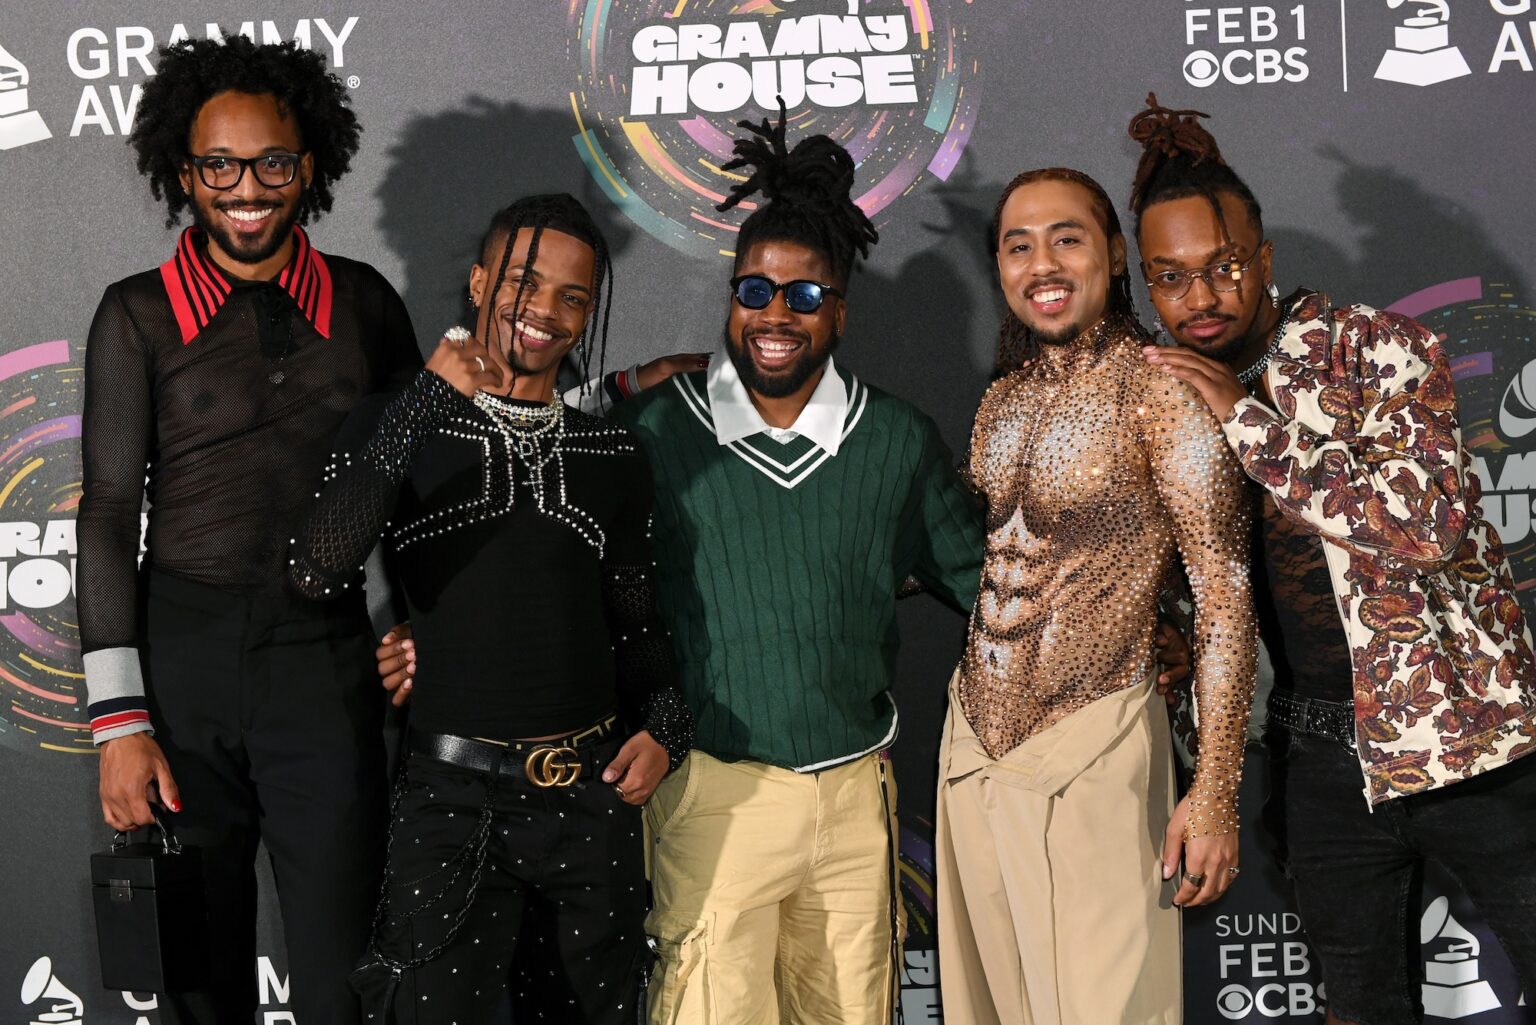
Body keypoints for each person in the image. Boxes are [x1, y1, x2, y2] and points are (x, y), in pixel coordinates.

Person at [1130, 94, 1536, 1025]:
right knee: (1358, 1007)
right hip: (1318, 759)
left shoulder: (1375, 348)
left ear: (1264, 260)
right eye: (1171, 277)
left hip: (1470, 740)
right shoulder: (1166, 391)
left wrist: (1246, 416)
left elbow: (1425, 522)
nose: (1201, 298)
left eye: (1224, 267)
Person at [77, 35, 421, 1024]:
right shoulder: (134, 316)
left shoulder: (365, 304)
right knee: (199, 981)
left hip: (325, 664)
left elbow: (411, 489)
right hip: (180, 666)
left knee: (343, 978)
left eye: (272, 161)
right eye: (218, 165)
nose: (246, 188)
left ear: (309, 164)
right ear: (183, 174)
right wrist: (122, 722)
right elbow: (106, 509)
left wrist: (420, 617)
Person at [289, 193, 691, 1024]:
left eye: (572, 296)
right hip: (448, 800)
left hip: (590, 805)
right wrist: (427, 401)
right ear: (478, 281)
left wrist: (666, 726)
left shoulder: (612, 451)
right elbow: (316, 566)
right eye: (523, 280)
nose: (544, 310)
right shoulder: (403, 421)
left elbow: (638, 622)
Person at [935, 166, 1258, 1025]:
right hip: (970, 751)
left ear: (1113, 254)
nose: (1042, 262)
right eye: (1018, 244)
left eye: (1066, 238)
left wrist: (1216, 789)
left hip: (1096, 747)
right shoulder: (998, 403)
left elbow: (1224, 595)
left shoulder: (1163, 392)